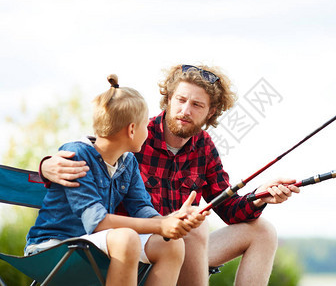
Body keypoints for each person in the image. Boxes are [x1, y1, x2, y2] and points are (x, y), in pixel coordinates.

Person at [40, 65, 299, 286]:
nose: (185, 110)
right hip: (129, 241)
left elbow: (229, 208)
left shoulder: (204, 146)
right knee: (196, 229)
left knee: (262, 231)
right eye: (180, 100)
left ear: (210, 112)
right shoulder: (137, 138)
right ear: (169, 99)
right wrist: (45, 167)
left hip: (176, 240)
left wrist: (262, 196)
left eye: (196, 105)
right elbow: (97, 151)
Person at [27, 75, 207, 286]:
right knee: (126, 237)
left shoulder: (128, 162)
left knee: (171, 245)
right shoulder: (76, 155)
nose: (148, 131)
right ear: (132, 129)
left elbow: (141, 207)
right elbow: (97, 222)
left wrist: (172, 221)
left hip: (94, 245)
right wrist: (160, 226)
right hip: (54, 247)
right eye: (144, 125)